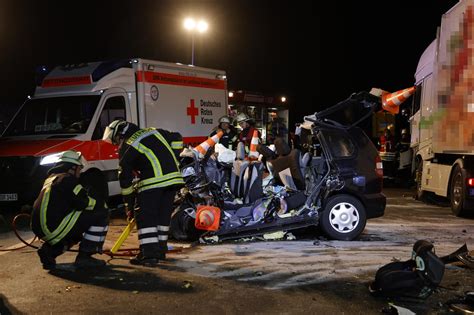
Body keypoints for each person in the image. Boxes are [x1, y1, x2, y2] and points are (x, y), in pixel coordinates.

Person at [102, 120, 184, 267]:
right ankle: (160, 250)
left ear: (121, 135)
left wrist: (129, 204)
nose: (117, 145)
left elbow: (125, 180)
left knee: (146, 218)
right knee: (162, 217)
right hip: (173, 180)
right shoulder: (153, 131)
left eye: (116, 141)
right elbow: (177, 137)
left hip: (152, 183)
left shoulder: (128, 145)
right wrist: (174, 158)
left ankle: (148, 255)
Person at [31, 150, 109, 270]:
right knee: (101, 212)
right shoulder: (68, 180)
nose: (80, 172)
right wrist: (98, 201)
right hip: (54, 229)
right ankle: (85, 256)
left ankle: (50, 251)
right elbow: (83, 204)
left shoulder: (51, 179)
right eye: (79, 168)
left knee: (76, 228)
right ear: (72, 167)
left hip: (42, 229)